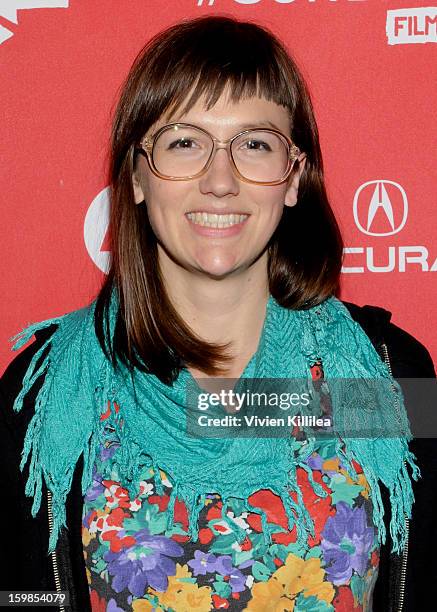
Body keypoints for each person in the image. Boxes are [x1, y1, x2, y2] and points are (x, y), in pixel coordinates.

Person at [0, 15, 435, 612]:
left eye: (255, 144)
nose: (220, 180)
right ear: (136, 176)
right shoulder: (49, 392)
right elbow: (20, 596)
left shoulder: (383, 374)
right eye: (185, 141)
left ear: (292, 178)